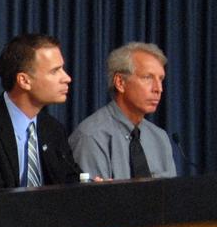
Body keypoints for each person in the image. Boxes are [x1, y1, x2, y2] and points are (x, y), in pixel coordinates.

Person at [0, 33, 82, 189]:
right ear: (24, 81)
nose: (67, 78)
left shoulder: (53, 129)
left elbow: (70, 181)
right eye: (55, 71)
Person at [70, 42, 176, 179]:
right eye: (148, 78)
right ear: (120, 82)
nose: (158, 89)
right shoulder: (91, 137)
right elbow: (93, 193)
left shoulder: (160, 138)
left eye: (161, 79)